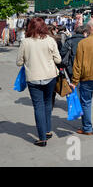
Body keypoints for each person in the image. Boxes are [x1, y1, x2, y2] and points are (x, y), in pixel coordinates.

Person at [16, 18, 61, 147]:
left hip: (34, 78)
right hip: (50, 76)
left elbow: (19, 62)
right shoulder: (50, 40)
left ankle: (42, 138)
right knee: (48, 103)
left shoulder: (25, 42)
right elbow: (58, 60)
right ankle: (47, 130)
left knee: (38, 106)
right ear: (44, 27)